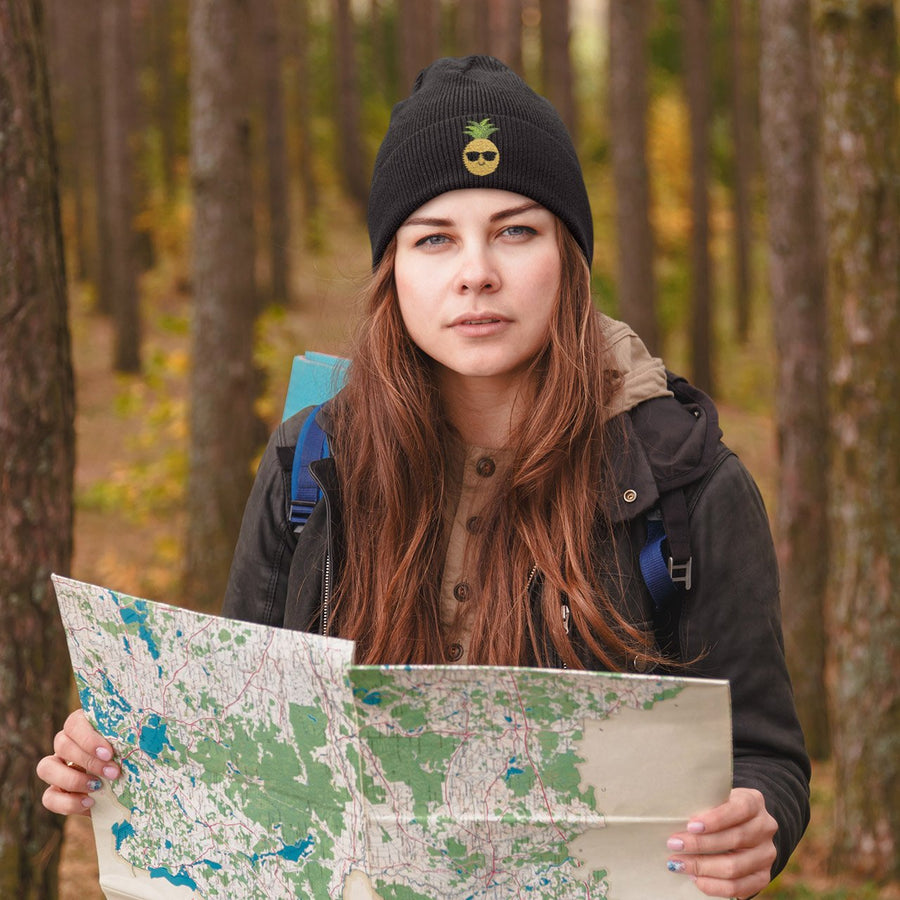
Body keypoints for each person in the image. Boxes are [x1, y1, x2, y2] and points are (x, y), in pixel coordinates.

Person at [37, 55, 809, 898]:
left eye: (516, 230)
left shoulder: (684, 482)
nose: (476, 271)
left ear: (569, 257)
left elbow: (765, 756)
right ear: (393, 271)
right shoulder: (311, 462)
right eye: (434, 238)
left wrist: (755, 820)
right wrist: (117, 759)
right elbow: (243, 737)